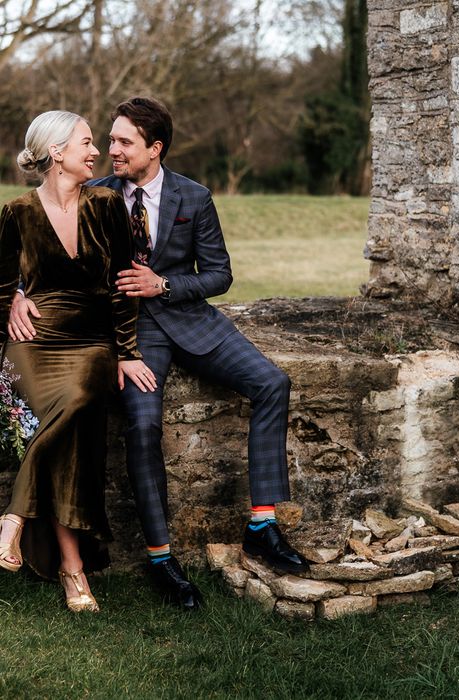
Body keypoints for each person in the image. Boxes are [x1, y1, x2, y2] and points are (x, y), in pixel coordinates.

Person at [9, 97, 309, 611]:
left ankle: (262, 523)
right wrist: (15, 292)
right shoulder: (96, 193)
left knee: (272, 383)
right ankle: (160, 556)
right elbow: (44, 250)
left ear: (155, 148)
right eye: (108, 139)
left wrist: (163, 283)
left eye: (124, 142)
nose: (111, 150)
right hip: (130, 337)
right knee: (143, 426)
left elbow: (219, 274)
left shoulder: (195, 197)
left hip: (192, 321)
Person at [0, 110, 156, 613]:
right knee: (69, 428)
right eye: (86, 143)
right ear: (57, 153)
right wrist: (12, 301)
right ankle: (74, 572)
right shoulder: (16, 213)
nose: (96, 152)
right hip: (34, 342)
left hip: (91, 342)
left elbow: (123, 288)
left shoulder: (107, 204)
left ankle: (14, 517)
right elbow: (0, 287)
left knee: (80, 395)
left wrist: (126, 351)